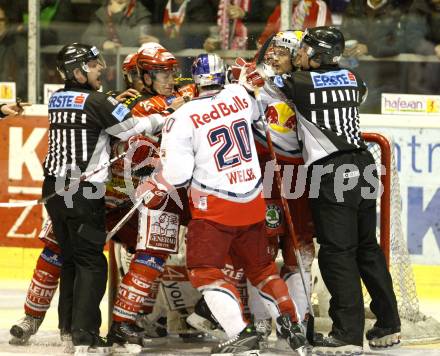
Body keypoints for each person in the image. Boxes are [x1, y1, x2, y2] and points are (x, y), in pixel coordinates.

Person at [136, 53, 306, 355]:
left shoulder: (182, 116)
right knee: (263, 268)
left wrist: (155, 183)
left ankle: (241, 332)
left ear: (195, 80)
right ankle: (291, 323)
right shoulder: (239, 96)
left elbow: (177, 174)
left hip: (214, 208)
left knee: (205, 271)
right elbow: (256, 113)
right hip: (253, 200)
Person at [255, 26, 401, 353]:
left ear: (318, 54)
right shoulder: (352, 79)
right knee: (367, 248)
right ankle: (389, 324)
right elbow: (355, 92)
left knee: (337, 253)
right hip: (364, 164)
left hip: (332, 170)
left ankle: (347, 335)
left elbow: (260, 78)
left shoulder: (300, 83)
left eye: (304, 50)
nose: (298, 55)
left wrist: (270, 54)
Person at [42, 42, 157, 354]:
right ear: (77, 72)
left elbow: (93, 117)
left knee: (70, 260)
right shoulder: (97, 101)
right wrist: (166, 116)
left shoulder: (56, 98)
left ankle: (68, 330)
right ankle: (86, 338)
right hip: (83, 192)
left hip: (54, 190)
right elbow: (134, 129)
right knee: (92, 262)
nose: (100, 69)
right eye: (93, 66)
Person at [106, 42, 196, 347]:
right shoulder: (144, 106)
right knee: (152, 255)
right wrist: (182, 100)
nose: (169, 77)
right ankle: (125, 320)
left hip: (178, 189)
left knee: (166, 254)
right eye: (160, 72)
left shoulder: (170, 95)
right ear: (143, 76)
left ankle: (147, 317)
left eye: (171, 71)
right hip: (153, 192)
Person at [258, 0, 332, 47]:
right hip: (278, 59)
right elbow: (264, 41)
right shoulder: (281, 8)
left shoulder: (317, 5)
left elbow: (317, 43)